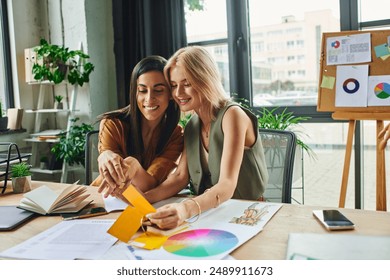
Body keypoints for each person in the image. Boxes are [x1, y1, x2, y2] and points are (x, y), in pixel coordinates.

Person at [143, 46, 268, 229]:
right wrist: (140, 200)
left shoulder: (233, 115)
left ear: (205, 80)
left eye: (187, 84)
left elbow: (226, 184)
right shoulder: (193, 125)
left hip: (247, 214)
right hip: (211, 212)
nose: (178, 93)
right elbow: (180, 177)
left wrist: (184, 209)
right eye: (174, 85)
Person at [91, 55, 184, 197]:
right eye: (142, 90)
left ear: (170, 94)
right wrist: (104, 154)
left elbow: (151, 184)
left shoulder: (175, 134)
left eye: (158, 90)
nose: (149, 98)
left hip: (144, 203)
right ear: (135, 92)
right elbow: (115, 181)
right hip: (102, 200)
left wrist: (134, 166)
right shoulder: (113, 124)